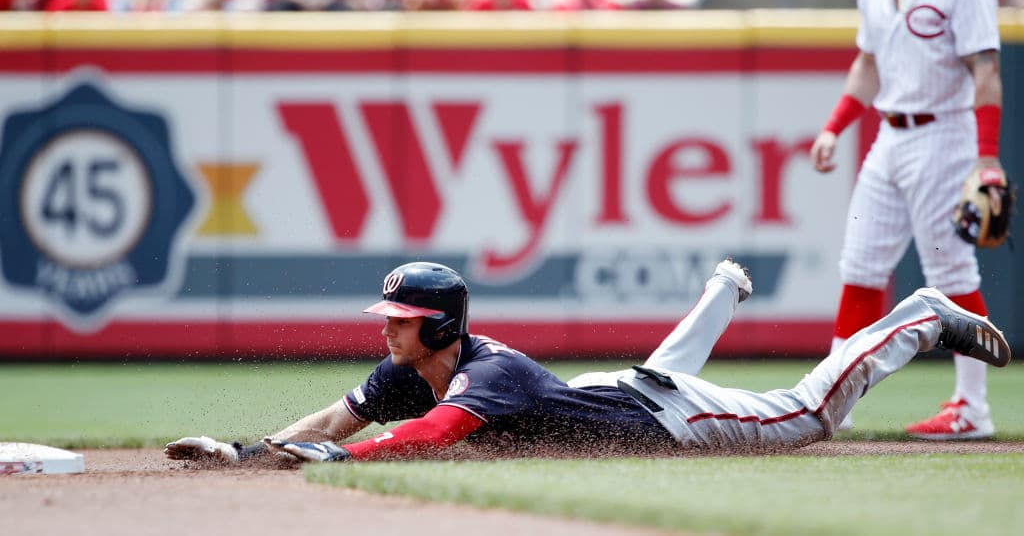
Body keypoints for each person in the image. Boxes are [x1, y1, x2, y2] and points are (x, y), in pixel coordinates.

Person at [165, 258, 1010, 464]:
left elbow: (433, 433)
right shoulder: (410, 365)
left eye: (402, 320)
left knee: (812, 415)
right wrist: (254, 452)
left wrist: (345, 457)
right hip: (612, 391)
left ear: (442, 326)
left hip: (668, 419)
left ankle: (920, 316)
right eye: (389, 317)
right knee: (642, 375)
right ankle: (719, 290)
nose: (388, 330)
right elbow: (333, 418)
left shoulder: (483, 373)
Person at [809, 0, 1007, 440]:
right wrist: (834, 127)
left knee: (950, 272)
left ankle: (972, 407)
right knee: (861, 267)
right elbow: (866, 65)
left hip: (944, 136)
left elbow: (985, 73)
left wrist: (987, 157)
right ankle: (831, 401)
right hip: (889, 136)